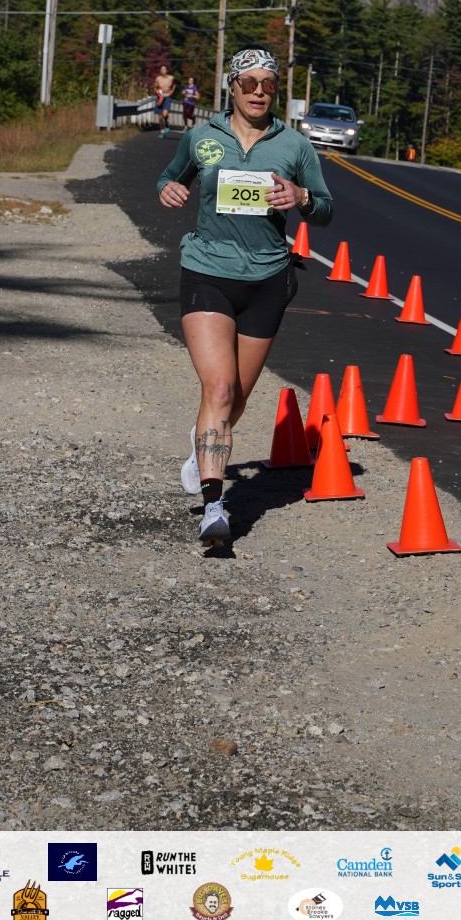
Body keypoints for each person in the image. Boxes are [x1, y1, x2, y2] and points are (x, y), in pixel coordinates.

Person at [157, 47, 333, 546]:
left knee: (234, 398)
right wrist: (168, 189)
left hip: (267, 279)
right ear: (231, 86)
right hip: (207, 272)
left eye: (268, 84)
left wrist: (301, 198)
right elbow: (171, 176)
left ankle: (203, 442)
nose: (259, 91)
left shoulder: (295, 147)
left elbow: (326, 209)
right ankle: (215, 508)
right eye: (249, 82)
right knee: (218, 388)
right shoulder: (202, 137)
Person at [153, 63, 176, 136]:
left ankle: (166, 124)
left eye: (164, 69)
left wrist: (172, 92)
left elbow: (174, 85)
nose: (163, 71)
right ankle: (162, 131)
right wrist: (157, 91)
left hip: (167, 97)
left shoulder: (171, 78)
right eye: (161, 69)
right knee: (160, 117)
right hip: (160, 97)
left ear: (167, 70)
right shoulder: (158, 78)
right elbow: (155, 87)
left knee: (165, 114)